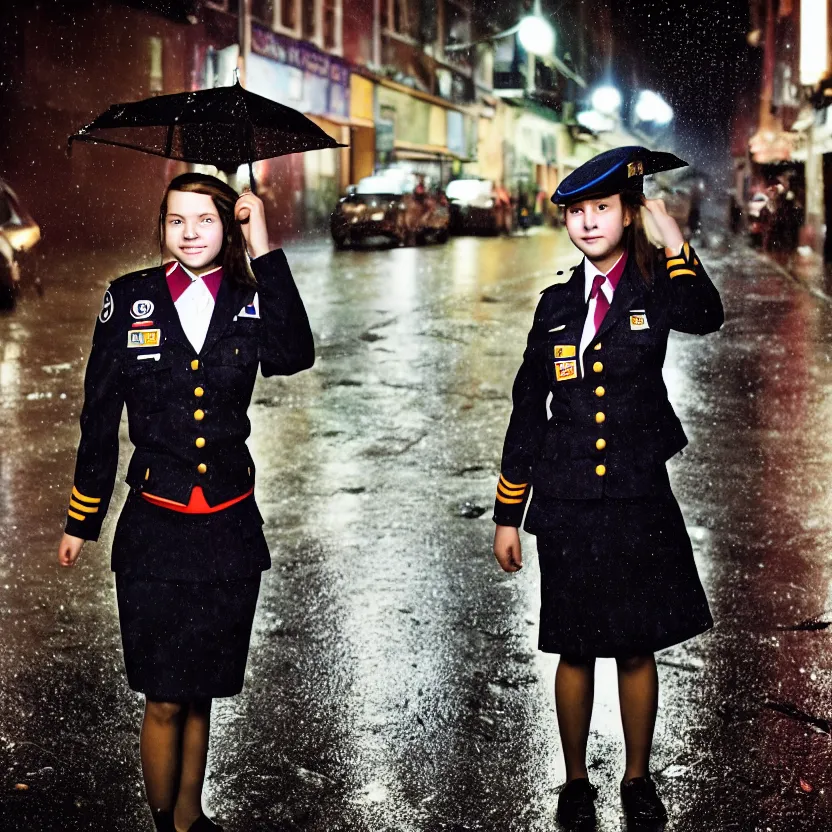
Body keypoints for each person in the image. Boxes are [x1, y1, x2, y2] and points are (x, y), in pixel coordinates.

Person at [57, 173, 315, 832]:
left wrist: (264, 246)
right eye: (177, 220)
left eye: (207, 220)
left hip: (228, 526)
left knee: (203, 690)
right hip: (156, 529)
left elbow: (294, 355)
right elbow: (99, 412)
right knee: (165, 697)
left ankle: (188, 817)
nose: (192, 232)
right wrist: (82, 517)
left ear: (227, 227)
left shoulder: (250, 297)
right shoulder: (129, 299)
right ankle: (160, 822)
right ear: (163, 227)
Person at [491, 147, 723, 829]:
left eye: (601, 209)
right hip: (566, 501)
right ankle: (572, 782)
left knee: (635, 644)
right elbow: (527, 406)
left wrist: (676, 242)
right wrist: (511, 512)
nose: (588, 222)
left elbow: (705, 315)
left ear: (627, 213)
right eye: (576, 212)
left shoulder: (654, 287)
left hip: (637, 495)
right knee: (573, 646)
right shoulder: (557, 306)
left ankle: (637, 777)